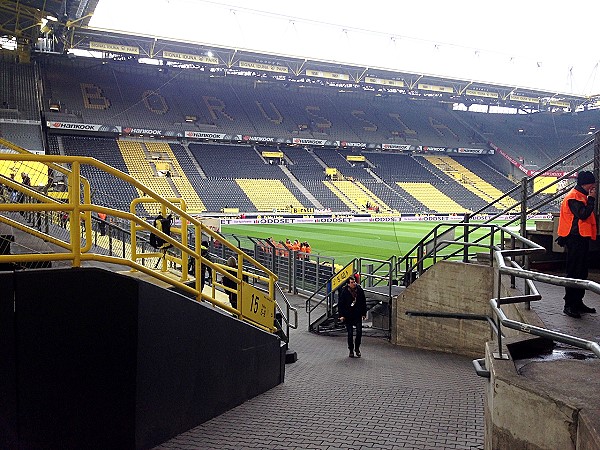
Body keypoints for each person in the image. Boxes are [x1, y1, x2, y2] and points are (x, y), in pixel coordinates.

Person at [556, 170, 597, 318]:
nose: (594, 188)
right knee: (574, 272)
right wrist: (591, 199)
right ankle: (569, 305)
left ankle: (578, 302)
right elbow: (583, 214)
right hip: (574, 239)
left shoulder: (580, 196)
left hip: (581, 238)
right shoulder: (574, 197)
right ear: (587, 184)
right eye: (592, 185)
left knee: (581, 272)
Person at [338, 275, 367, 358]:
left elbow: (363, 302)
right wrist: (342, 315)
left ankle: (357, 348)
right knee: (350, 333)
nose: (354, 284)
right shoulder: (344, 292)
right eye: (352, 282)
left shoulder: (359, 291)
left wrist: (363, 313)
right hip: (348, 315)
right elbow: (341, 304)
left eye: (354, 282)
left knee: (359, 332)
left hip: (357, 315)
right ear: (348, 284)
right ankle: (351, 349)